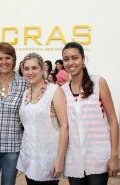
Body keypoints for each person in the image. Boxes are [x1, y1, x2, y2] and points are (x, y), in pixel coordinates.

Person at [61, 42, 119, 185]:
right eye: (66, 59)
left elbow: (113, 120)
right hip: (74, 159)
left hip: (98, 158)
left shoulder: (98, 83)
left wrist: (114, 155)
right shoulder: (62, 90)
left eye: (75, 58)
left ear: (83, 59)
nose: (70, 63)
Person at [16, 53, 68, 185]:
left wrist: (59, 160)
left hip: (48, 159)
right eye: (26, 68)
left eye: (34, 68)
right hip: (29, 156)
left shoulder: (54, 91)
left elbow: (65, 126)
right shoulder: (25, 94)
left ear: (43, 69)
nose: (30, 72)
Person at [0, 42, 28, 185]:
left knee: (8, 183)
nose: (4, 62)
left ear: (14, 59)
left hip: (13, 147)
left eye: (7, 58)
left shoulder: (25, 84)